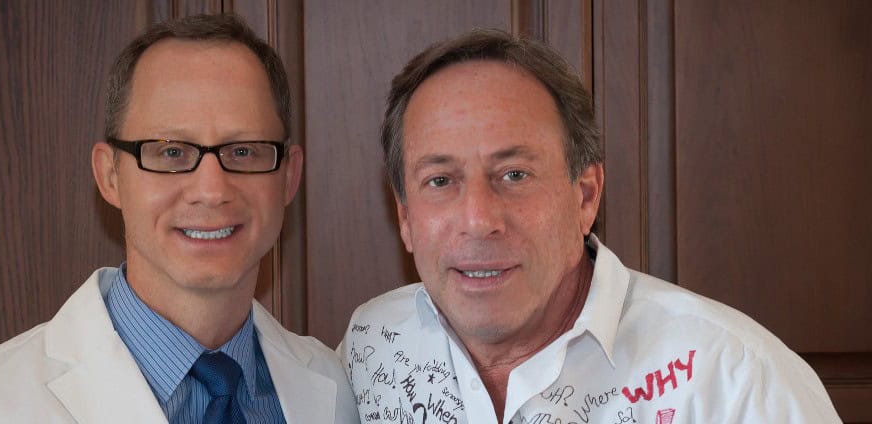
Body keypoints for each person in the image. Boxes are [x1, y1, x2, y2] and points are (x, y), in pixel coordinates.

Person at [339, 29, 840, 424]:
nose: (479, 220)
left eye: (514, 175)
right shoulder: (370, 347)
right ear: (405, 217)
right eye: (441, 180)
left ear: (585, 196)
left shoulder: (736, 382)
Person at [0, 13, 357, 423]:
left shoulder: (337, 390)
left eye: (243, 151)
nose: (211, 189)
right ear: (110, 176)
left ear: (289, 176)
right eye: (171, 152)